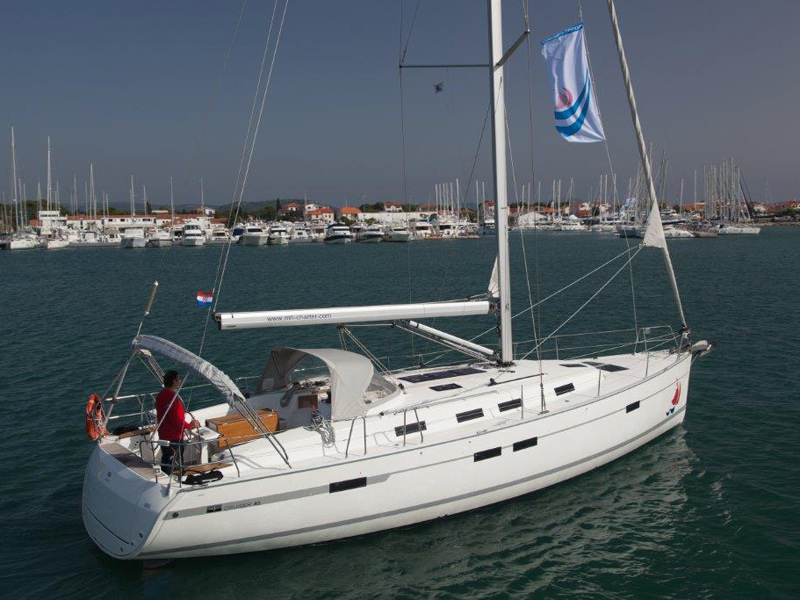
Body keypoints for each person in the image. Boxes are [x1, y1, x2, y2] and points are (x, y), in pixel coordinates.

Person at [156, 370, 200, 474]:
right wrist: (190, 426)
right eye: (178, 379)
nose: (179, 381)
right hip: (173, 436)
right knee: (175, 461)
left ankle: (166, 475)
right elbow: (176, 420)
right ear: (174, 381)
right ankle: (178, 478)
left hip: (164, 433)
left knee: (166, 459)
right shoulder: (172, 398)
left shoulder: (161, 395)